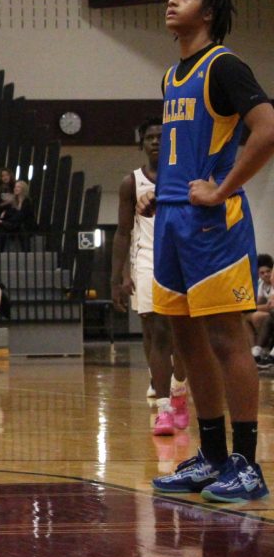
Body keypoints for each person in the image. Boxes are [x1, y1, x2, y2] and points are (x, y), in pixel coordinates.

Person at [147, 0, 274, 503]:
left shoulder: (223, 66)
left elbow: (267, 129)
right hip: (173, 218)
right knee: (185, 339)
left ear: (210, 11)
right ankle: (214, 456)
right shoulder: (171, 77)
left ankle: (247, 463)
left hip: (211, 225)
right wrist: (166, 191)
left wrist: (222, 188)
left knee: (226, 338)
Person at [111, 118, 189, 436]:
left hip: (183, 257)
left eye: (161, 136)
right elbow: (122, 232)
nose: (156, 141)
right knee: (156, 329)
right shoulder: (132, 182)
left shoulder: (185, 175)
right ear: (141, 144)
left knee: (182, 333)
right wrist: (117, 277)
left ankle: (179, 388)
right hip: (148, 259)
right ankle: (163, 407)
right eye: (150, 137)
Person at [0, 179, 35, 251]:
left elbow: (20, 216)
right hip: (14, 224)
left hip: (23, 224)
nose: (15, 188)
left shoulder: (26, 201)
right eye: (15, 187)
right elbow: (11, 213)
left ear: (23, 189)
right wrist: (5, 214)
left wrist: (3, 221)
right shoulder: (14, 201)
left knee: (1, 224)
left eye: (18, 187)